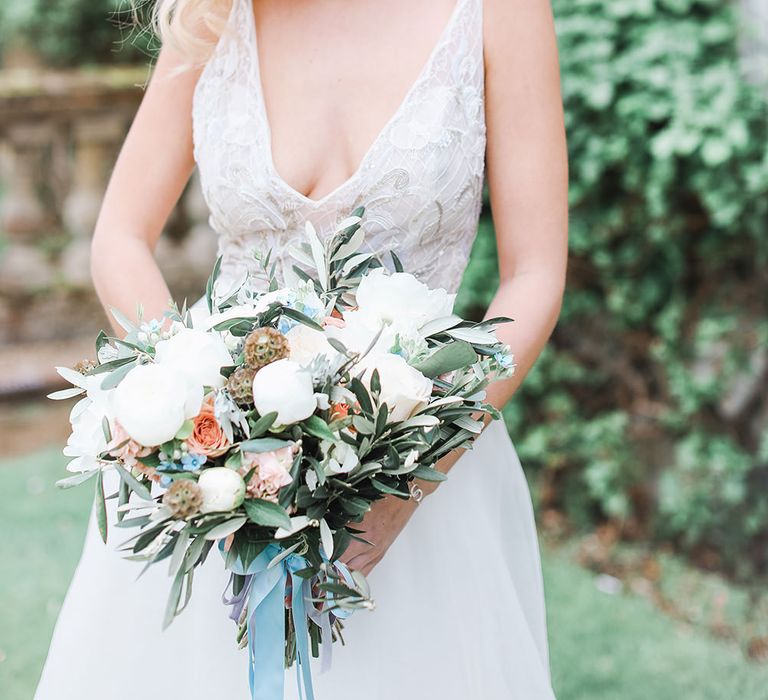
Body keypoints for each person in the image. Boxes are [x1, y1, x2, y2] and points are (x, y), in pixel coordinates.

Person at [34, 0, 568, 697]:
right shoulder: (211, 15)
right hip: (215, 487)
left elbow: (535, 274)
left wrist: (414, 476)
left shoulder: (499, 11)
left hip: (419, 474)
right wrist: (190, 412)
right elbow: (119, 238)